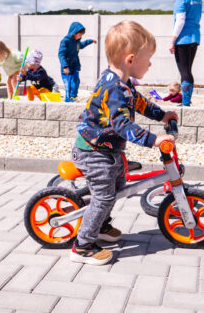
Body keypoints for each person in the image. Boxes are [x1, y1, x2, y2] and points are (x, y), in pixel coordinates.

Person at [70, 20, 178, 266]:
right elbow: (122, 125)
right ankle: (83, 245)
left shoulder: (123, 83)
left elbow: (139, 103)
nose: (150, 64)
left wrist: (162, 115)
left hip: (106, 149)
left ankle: (99, 225)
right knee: (105, 197)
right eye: (148, 59)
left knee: (117, 185)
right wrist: (154, 140)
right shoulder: (114, 88)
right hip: (93, 152)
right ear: (130, 59)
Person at [167, 0, 202, 107]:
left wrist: (172, 40)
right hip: (195, 37)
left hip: (183, 39)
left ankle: (186, 102)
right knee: (188, 69)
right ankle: (187, 100)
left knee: (184, 71)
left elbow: (180, 21)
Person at [58, 22, 96, 102]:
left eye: (81, 34)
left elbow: (81, 45)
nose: (81, 36)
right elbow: (61, 54)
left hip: (74, 66)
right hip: (67, 68)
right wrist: (65, 66)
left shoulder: (77, 42)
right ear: (74, 32)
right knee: (69, 84)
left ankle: (73, 97)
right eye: (80, 34)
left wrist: (91, 41)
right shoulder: (66, 41)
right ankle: (68, 99)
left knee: (76, 81)